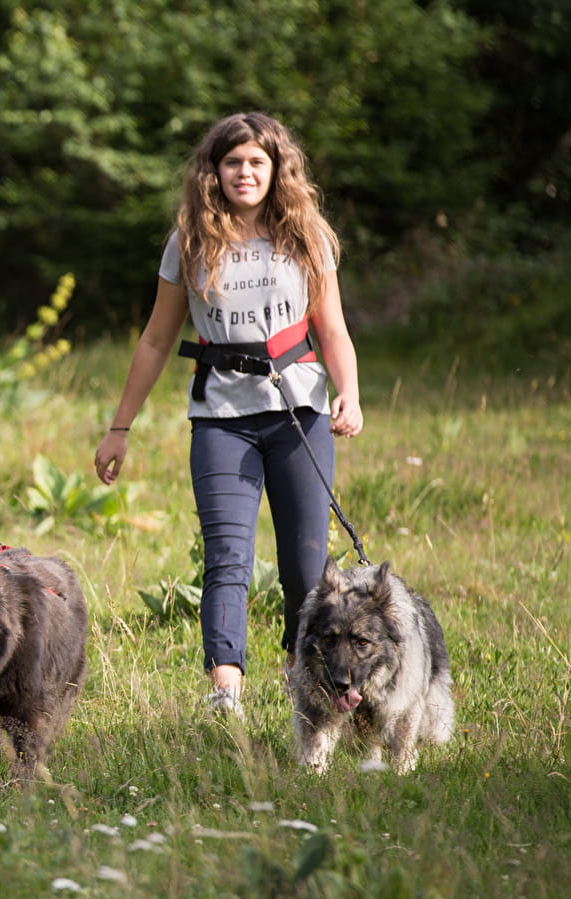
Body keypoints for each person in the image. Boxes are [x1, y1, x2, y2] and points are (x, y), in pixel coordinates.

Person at [92, 112, 363, 713]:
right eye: (233, 161)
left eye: (257, 162)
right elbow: (157, 340)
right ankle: (225, 690)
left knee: (304, 565)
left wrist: (349, 391)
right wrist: (119, 428)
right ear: (213, 171)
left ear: (276, 170)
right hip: (221, 420)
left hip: (301, 414)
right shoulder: (189, 242)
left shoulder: (306, 236)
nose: (245, 172)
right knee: (227, 556)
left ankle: (303, 671)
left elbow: (332, 329)